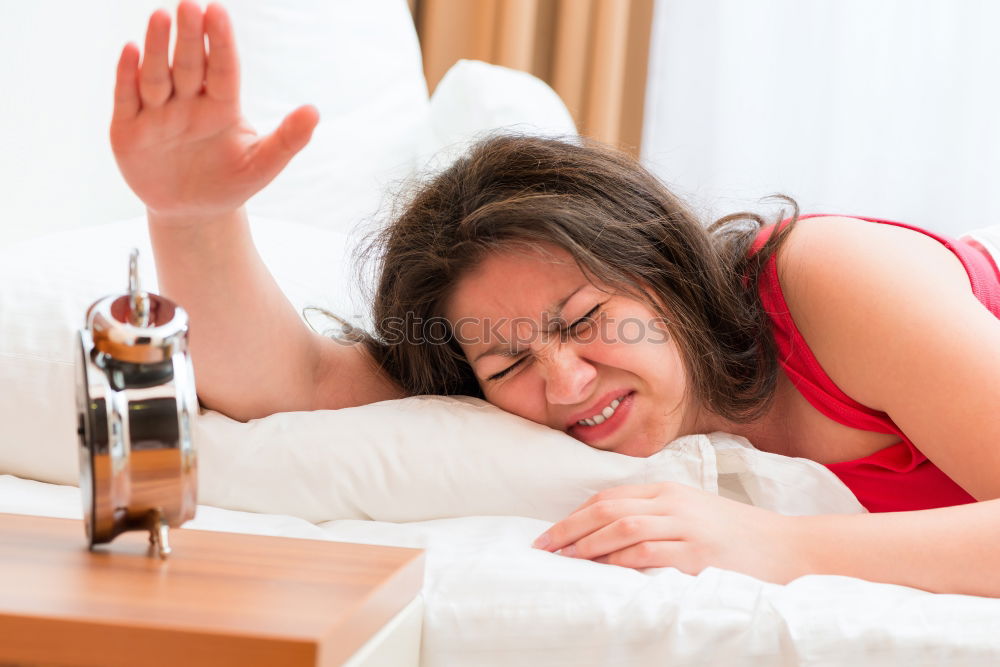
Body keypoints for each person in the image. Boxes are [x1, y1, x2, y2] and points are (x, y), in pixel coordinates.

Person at [112, 3, 1000, 596]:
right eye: (508, 360)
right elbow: (293, 384)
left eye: (583, 321)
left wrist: (777, 546)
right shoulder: (503, 392)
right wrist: (190, 215)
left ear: (663, 268)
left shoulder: (831, 279)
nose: (566, 381)